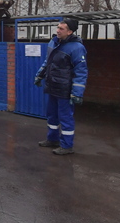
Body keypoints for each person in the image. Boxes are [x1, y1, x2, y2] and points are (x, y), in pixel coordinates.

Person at [34, 18, 88, 155]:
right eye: (57, 27)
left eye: (61, 29)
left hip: (65, 89)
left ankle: (67, 146)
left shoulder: (77, 48)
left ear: (70, 31)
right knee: (51, 115)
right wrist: (39, 75)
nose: (57, 30)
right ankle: (52, 139)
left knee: (65, 117)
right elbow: (48, 62)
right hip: (52, 85)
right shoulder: (53, 42)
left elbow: (81, 71)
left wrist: (77, 93)